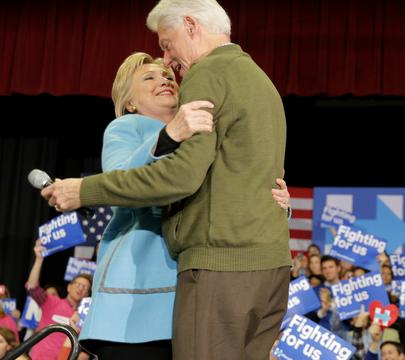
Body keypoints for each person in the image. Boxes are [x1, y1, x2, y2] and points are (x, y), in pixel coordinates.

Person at [42, 0, 291, 357]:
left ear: (190, 25)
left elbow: (183, 178)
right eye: (151, 75)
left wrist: (85, 190)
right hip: (164, 298)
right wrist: (168, 136)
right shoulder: (261, 82)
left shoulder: (205, 76)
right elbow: (125, 181)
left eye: (166, 46)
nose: (169, 67)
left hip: (209, 277)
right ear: (128, 101)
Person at [26, 240, 92, 360]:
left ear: (87, 294)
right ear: (69, 287)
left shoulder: (86, 318)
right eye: (78, 284)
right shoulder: (52, 302)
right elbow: (32, 288)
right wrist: (39, 259)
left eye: (85, 287)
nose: (80, 288)